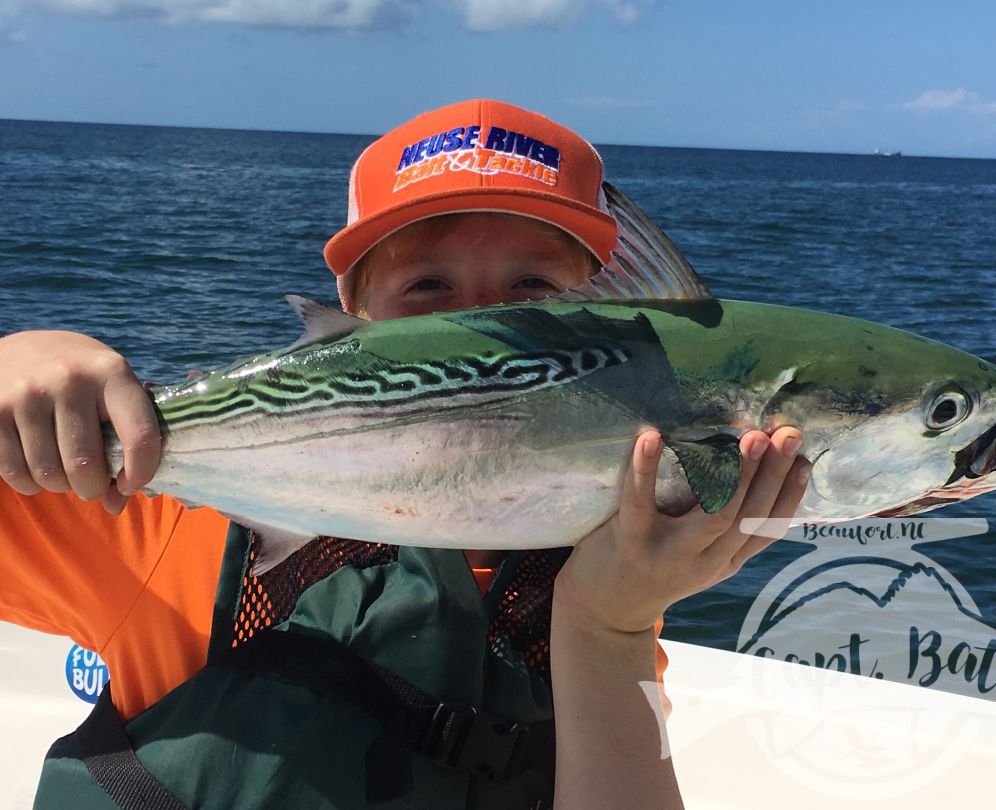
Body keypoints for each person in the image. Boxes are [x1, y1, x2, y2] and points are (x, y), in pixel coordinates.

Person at [0, 99, 811, 809]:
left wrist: (612, 627)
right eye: (427, 288)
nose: (485, 327)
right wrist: (17, 369)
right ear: (349, 322)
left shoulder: (613, 567)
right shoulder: (168, 522)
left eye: (536, 293)